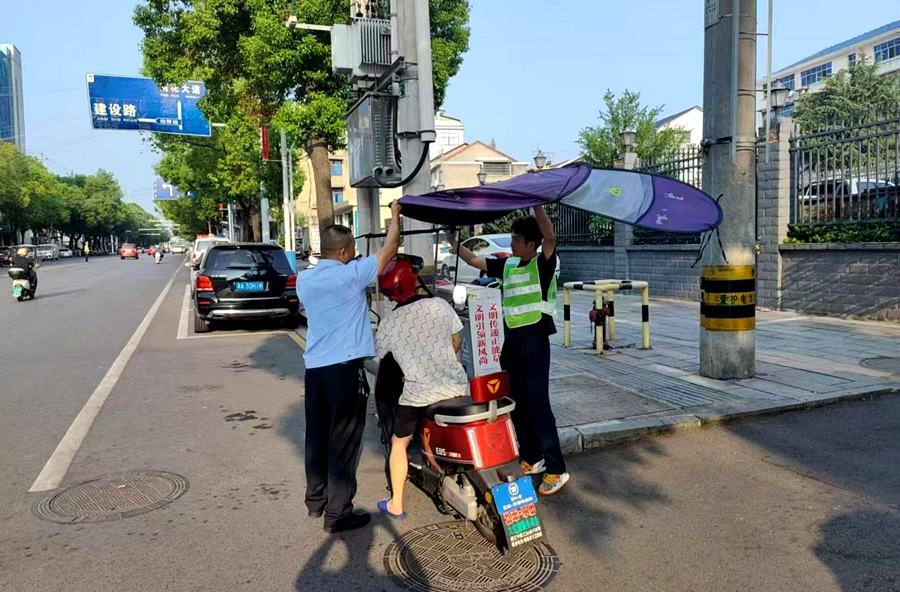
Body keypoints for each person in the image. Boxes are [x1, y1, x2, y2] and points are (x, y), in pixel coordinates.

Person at [296, 201, 403, 534]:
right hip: (344, 372)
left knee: (317, 437)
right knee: (343, 442)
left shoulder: (304, 280)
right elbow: (391, 246)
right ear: (343, 252)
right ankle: (338, 513)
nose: (356, 256)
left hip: (315, 372)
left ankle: (316, 500)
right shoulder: (352, 275)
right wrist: (395, 215)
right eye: (353, 251)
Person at [452, 206, 569, 496]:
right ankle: (533, 458)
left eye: (517, 238)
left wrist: (536, 205)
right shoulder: (508, 265)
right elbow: (474, 259)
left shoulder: (543, 264)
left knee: (538, 404)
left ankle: (557, 469)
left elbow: (550, 236)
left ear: (532, 243)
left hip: (535, 342)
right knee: (516, 401)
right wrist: (453, 241)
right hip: (513, 342)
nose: (512, 242)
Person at [373, 255, 468, 519]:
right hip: (455, 388)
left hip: (417, 395)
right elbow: (457, 340)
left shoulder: (390, 322)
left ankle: (396, 505)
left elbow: (377, 355)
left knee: (399, 443)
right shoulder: (439, 304)